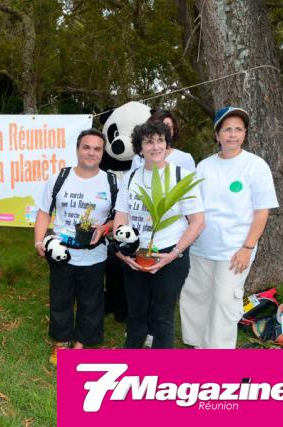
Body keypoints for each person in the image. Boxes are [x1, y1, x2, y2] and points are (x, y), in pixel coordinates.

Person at [180, 107, 278, 348]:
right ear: (217, 134)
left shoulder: (256, 166)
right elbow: (194, 207)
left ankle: (218, 355)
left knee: (224, 302)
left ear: (245, 134)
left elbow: (262, 211)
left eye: (238, 129)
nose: (232, 135)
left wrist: (247, 247)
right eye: (227, 130)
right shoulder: (204, 166)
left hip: (235, 250)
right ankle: (197, 345)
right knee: (195, 297)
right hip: (201, 247)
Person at [114, 121, 204, 348]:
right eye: (149, 142)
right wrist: (122, 253)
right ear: (140, 147)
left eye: (160, 140)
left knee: (163, 317)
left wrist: (174, 254)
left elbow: (197, 222)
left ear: (167, 143)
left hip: (169, 255)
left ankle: (160, 367)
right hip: (135, 254)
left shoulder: (181, 176)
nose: (155, 147)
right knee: (136, 314)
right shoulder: (130, 178)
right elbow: (121, 217)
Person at [34, 128, 116, 365]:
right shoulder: (60, 178)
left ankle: (79, 344)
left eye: (97, 149)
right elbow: (43, 212)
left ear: (102, 153)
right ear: (78, 149)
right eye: (86, 147)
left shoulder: (111, 182)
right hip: (62, 253)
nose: (91, 152)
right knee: (60, 299)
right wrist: (39, 241)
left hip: (95, 256)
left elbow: (119, 218)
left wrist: (105, 228)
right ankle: (61, 342)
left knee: (91, 302)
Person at [130, 110, 196, 172]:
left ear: (174, 130)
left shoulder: (185, 158)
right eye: (158, 126)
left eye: (168, 127)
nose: (163, 130)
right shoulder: (138, 159)